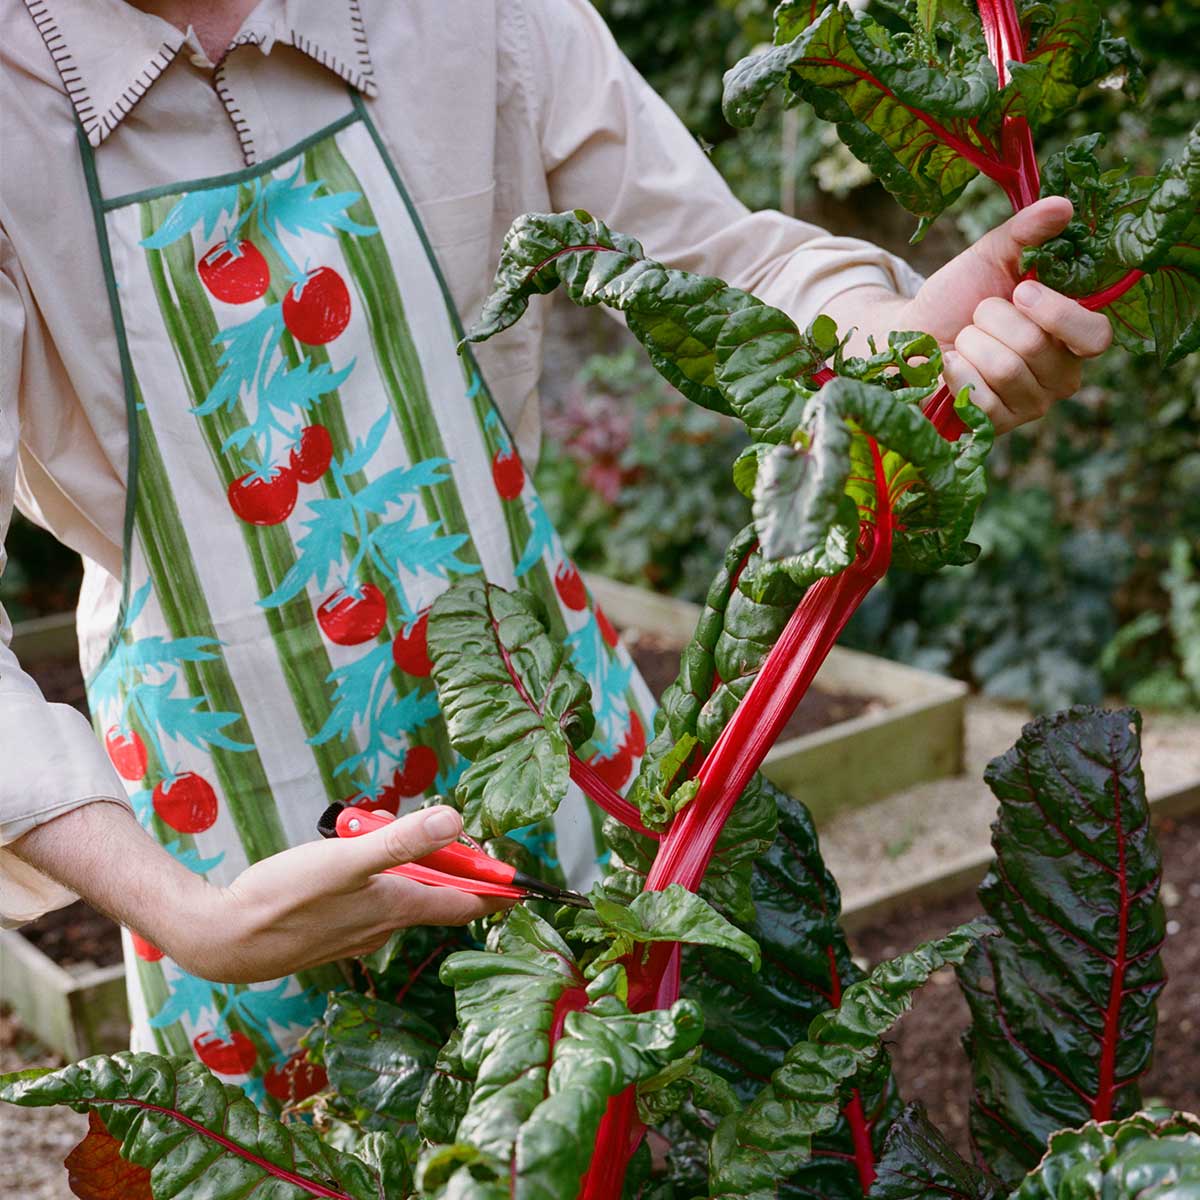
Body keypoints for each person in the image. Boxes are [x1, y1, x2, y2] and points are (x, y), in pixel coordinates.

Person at [0, 0, 1112, 1103]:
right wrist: (192, 919)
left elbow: (719, 259)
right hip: (234, 836)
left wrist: (898, 335)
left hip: (554, 731)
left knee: (637, 1124)